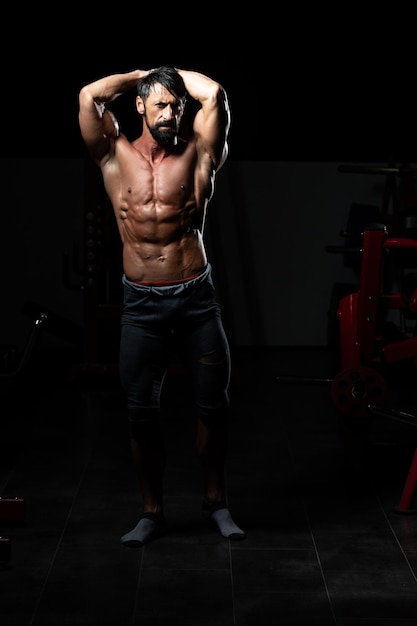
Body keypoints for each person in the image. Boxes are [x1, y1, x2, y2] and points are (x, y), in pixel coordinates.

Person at [78, 65, 245, 546]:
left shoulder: (200, 154)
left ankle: (217, 502)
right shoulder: (113, 154)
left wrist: (168, 80)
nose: (173, 113)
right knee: (140, 411)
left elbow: (214, 93)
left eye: (177, 105)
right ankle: (152, 511)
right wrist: (141, 74)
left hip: (195, 297)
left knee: (214, 407)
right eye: (162, 105)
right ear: (139, 107)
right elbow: (89, 95)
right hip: (142, 305)